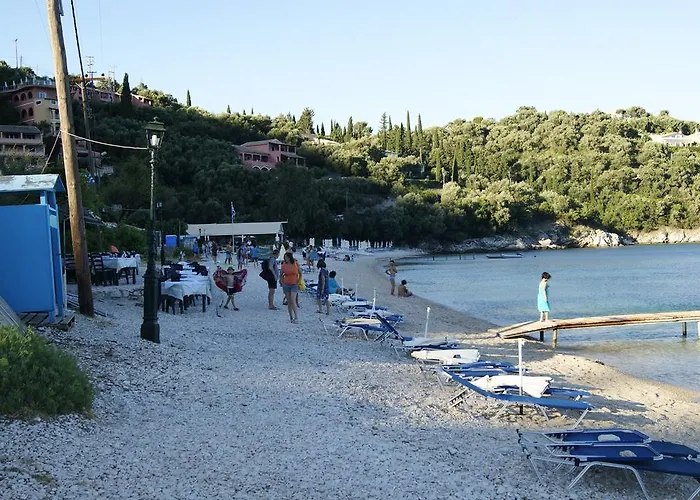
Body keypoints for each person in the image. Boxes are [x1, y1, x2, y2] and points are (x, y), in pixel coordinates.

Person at [280, 252, 300, 323]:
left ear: (290, 257)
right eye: (285, 257)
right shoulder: (284, 265)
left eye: (287, 257)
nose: (286, 259)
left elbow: (300, 273)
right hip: (286, 284)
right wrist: (282, 282)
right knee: (289, 302)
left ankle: (296, 317)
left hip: (294, 284)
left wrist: (299, 281)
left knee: (293, 300)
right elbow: (281, 274)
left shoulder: (295, 263)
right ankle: (291, 317)